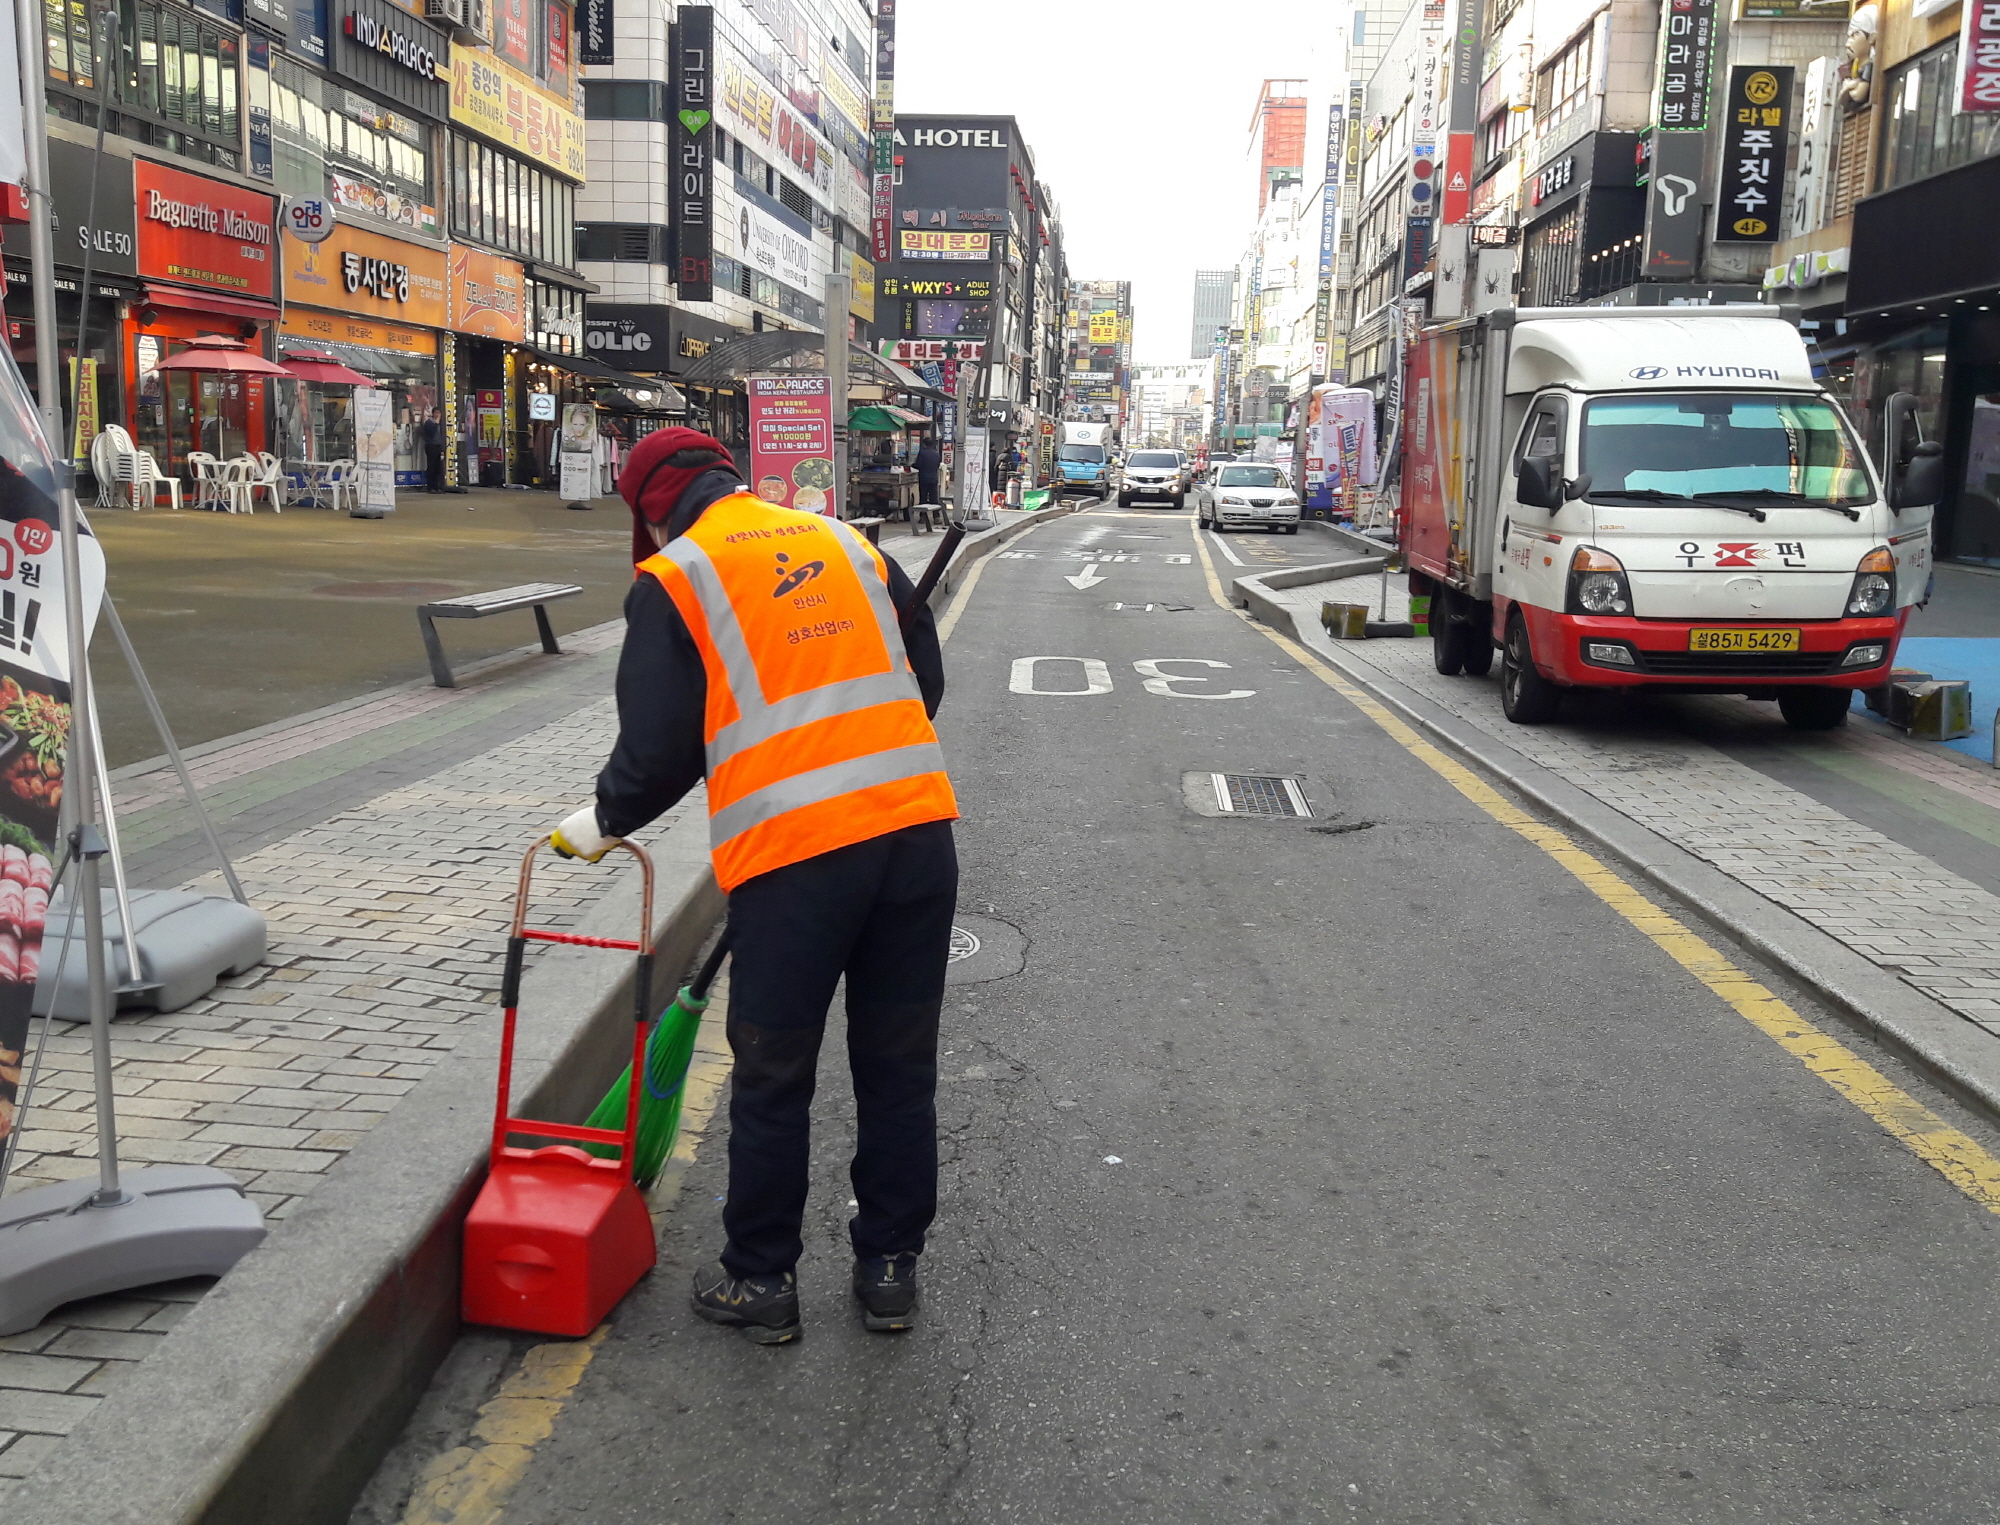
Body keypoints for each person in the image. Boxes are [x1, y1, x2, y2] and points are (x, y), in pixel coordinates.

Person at [547, 426, 958, 1345]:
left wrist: (603, 819)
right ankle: (889, 1268)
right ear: (732, 478)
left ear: (653, 511)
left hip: (796, 862)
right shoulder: (848, 541)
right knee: (898, 1065)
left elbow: (657, 752)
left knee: (774, 1075)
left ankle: (760, 1277)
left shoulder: (676, 577)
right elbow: (924, 676)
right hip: (917, 839)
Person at [420, 408, 445, 493]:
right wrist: (436, 423)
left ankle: (437, 486)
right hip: (431, 446)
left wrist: (442, 448)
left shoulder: (440, 425)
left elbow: (440, 437)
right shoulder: (429, 423)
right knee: (432, 467)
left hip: (438, 446)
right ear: (433, 413)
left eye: (439, 413)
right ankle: (430, 487)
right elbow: (431, 433)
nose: (438, 415)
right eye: (436, 413)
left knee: (438, 467)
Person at [913, 436, 941, 505]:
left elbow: (918, 464)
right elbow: (937, 465)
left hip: (923, 479)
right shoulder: (936, 454)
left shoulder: (922, 453)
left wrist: (912, 465)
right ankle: (936, 513)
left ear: (924, 444)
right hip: (934, 478)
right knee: (934, 497)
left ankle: (923, 514)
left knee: (923, 497)